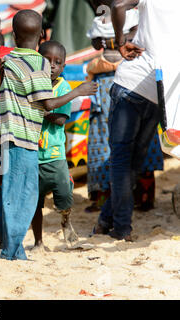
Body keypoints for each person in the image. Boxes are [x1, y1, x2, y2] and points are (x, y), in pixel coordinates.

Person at [0, 10, 97, 260]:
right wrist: (79, 92)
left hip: (3, 135)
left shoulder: (8, 60)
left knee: (8, 188)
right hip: (24, 138)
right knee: (24, 196)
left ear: (12, 36)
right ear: (42, 36)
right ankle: (13, 250)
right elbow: (47, 104)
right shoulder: (40, 64)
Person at [91, 0, 179, 241]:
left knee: (122, 162)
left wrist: (120, 42)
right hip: (160, 96)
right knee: (132, 165)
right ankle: (110, 223)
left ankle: (117, 225)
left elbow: (118, 4)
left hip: (130, 83)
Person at [85, 0, 163, 213]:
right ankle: (139, 199)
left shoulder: (119, 18)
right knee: (136, 142)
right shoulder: (132, 19)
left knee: (112, 143)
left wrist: (102, 63)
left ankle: (112, 203)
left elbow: (99, 49)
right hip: (132, 84)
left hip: (120, 84)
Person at [31, 40, 98, 250]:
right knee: (35, 202)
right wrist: (46, 109)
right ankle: (38, 241)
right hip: (32, 154)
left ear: (63, 67)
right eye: (47, 60)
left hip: (54, 154)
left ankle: (66, 221)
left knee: (64, 194)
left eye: (57, 62)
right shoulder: (33, 84)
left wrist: (40, 109)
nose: (52, 65)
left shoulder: (64, 87)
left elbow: (60, 119)